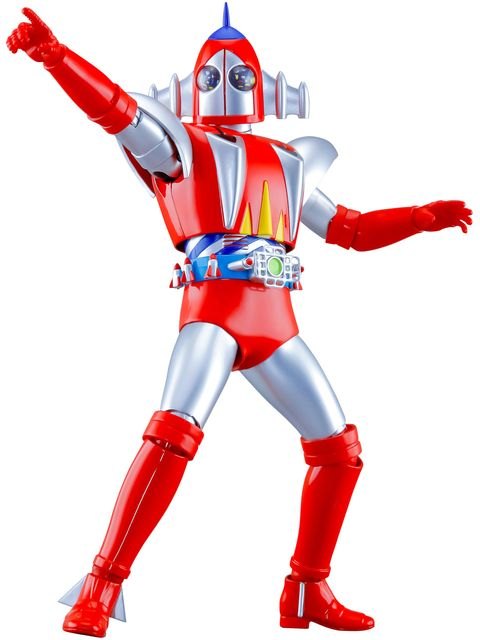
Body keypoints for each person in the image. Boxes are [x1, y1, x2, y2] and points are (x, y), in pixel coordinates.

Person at [7, 5, 472, 638]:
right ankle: (100, 587)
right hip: (213, 317)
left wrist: (418, 218)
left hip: (276, 325)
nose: (228, 84)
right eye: (214, 75)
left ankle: (307, 591)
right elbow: (116, 111)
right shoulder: (183, 147)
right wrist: (57, 58)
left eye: (241, 75)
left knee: (339, 452)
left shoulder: (290, 161)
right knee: (172, 436)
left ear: (264, 83)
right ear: (193, 83)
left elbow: (350, 229)